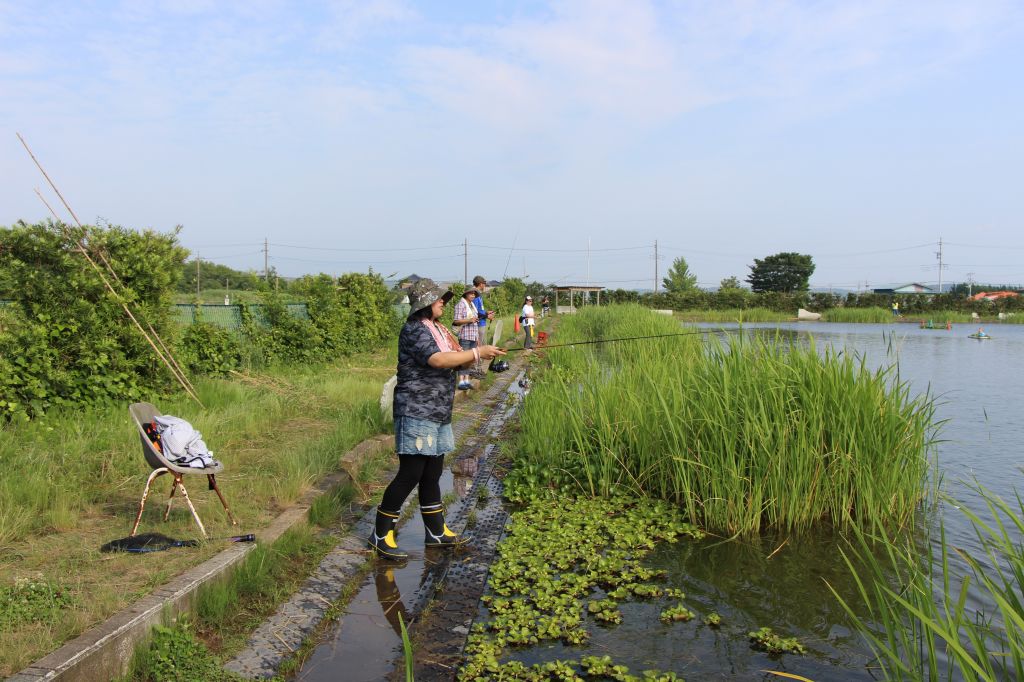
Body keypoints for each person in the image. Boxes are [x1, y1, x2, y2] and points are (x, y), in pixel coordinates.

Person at [368, 278, 506, 560]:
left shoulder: (440, 329)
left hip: (439, 411)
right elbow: (438, 360)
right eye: (438, 298)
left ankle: (436, 532)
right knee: (410, 474)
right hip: (416, 410)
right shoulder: (414, 329)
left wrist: (482, 357)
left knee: (432, 473)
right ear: (425, 303)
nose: (443, 301)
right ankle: (380, 535)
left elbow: (457, 359)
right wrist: (477, 352)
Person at [452, 287, 479, 390]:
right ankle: (461, 382)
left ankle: (467, 381)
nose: (473, 295)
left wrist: (477, 337)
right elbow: (456, 321)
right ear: (466, 294)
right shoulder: (461, 305)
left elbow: (475, 320)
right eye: (471, 293)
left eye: (474, 294)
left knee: (470, 359)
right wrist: (469, 320)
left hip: (473, 335)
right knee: (463, 359)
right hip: (465, 336)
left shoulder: (472, 306)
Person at [472, 275, 495, 339]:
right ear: (481, 284)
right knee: (480, 344)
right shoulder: (475, 295)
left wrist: (486, 312)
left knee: (483, 343)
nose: (485, 285)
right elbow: (474, 312)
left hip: (482, 323)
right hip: (479, 325)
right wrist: (487, 316)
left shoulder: (478, 294)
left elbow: (479, 310)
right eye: (484, 283)